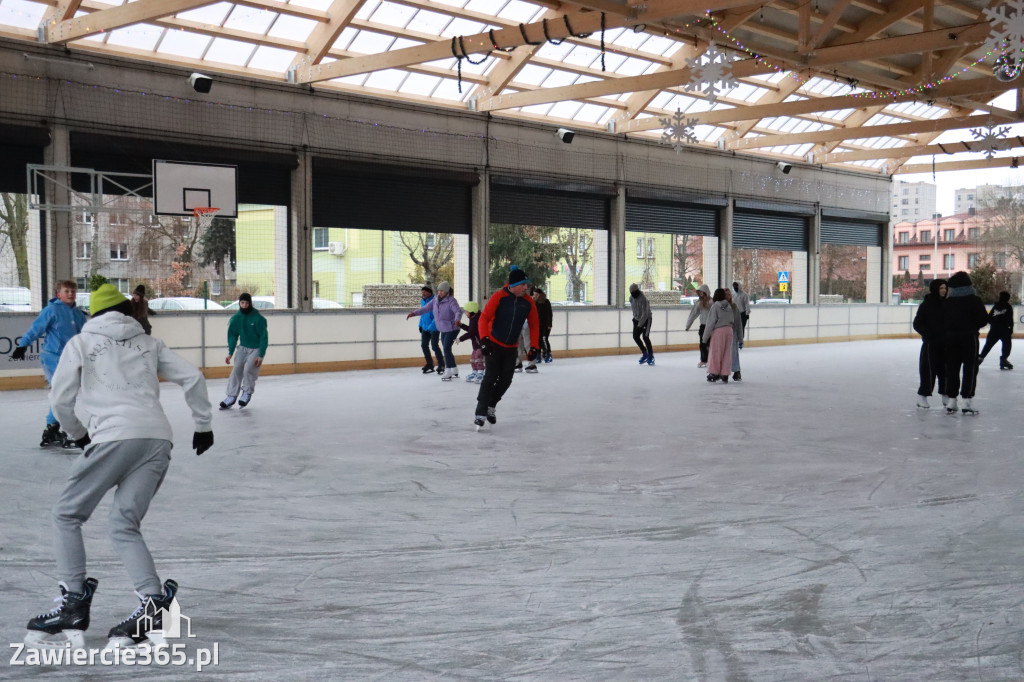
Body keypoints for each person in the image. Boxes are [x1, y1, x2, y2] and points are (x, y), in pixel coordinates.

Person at [25, 283, 213, 651]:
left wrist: (78, 435)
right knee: (124, 524)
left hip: (112, 437)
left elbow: (60, 399)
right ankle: (153, 604)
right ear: (127, 312)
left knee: (67, 515)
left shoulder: (80, 342)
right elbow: (193, 377)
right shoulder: (149, 342)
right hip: (157, 439)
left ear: (92, 313)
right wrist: (203, 425)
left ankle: (73, 602)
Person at [10, 279, 88, 449]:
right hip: (53, 357)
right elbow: (36, 329)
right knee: (61, 393)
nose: (70, 294)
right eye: (66, 291)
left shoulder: (78, 314)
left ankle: (52, 428)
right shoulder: (51, 310)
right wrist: (22, 345)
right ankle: (56, 427)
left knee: (66, 394)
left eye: (73, 291)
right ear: (58, 294)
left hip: (72, 359)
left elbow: (85, 336)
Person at [474, 265, 539, 429]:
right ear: (514, 285)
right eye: (523, 284)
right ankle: (480, 412)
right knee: (490, 377)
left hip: (511, 347)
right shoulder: (499, 296)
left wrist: (534, 347)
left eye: (527, 284)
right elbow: (483, 318)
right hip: (494, 345)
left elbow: (534, 325)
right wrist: (484, 340)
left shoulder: (528, 302)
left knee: (506, 380)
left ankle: (491, 405)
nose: (526, 287)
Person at [941, 271, 989, 415]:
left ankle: (952, 400)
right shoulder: (974, 300)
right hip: (969, 338)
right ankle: (967, 401)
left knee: (951, 369)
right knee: (970, 368)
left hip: (950, 339)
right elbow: (983, 320)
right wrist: (971, 325)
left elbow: (942, 321)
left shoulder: (948, 302)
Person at [220, 292, 268, 409]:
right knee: (236, 369)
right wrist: (230, 353)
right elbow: (232, 336)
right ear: (239, 303)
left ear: (250, 303)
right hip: (243, 348)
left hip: (256, 348)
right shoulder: (236, 319)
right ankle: (231, 396)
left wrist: (261, 355)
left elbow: (263, 337)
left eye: (247, 303)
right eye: (242, 302)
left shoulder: (258, 319)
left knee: (248, 370)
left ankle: (247, 392)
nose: (245, 305)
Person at [408, 281, 463, 380]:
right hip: (443, 328)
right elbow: (425, 308)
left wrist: (457, 319)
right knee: (446, 348)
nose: (440, 293)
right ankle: (454, 368)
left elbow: (457, 311)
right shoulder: (435, 300)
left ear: (446, 291)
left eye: (442, 291)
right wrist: (414, 313)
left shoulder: (451, 301)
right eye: (439, 291)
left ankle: (448, 370)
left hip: (453, 328)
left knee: (446, 348)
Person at [912, 279, 947, 409]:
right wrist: (928, 334)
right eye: (941, 288)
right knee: (928, 371)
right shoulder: (926, 305)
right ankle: (922, 397)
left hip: (945, 344)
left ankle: (946, 395)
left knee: (945, 371)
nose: (944, 290)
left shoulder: (947, 304)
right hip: (930, 344)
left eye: (945, 288)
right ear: (935, 289)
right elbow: (917, 324)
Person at [702, 288, 737, 383]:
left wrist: (705, 337)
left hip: (719, 331)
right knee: (726, 353)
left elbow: (711, 322)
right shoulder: (729, 306)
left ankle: (714, 373)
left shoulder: (715, 306)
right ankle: (725, 373)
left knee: (716, 352)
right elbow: (732, 319)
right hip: (729, 330)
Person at [978, 290, 1014, 370]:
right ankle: (1004, 360)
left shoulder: (996, 306)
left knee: (988, 345)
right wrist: (1010, 329)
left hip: (994, 330)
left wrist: (994, 324)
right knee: (1007, 346)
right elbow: (1010, 320)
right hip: (1004, 331)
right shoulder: (1008, 307)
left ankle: (981, 358)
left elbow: (990, 318)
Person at [416, 285, 444, 374]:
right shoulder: (423, 301)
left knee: (434, 345)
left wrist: (430, 327)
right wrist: (420, 325)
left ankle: (441, 364)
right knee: (424, 345)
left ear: (429, 292)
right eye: (422, 292)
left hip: (434, 327)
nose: (423, 293)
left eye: (424, 292)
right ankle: (429, 364)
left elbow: (437, 316)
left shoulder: (435, 300)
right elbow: (422, 313)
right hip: (425, 327)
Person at [685, 284, 713, 368]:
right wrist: (688, 325)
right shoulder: (699, 303)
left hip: (711, 326)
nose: (701, 294)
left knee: (711, 344)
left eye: (702, 292)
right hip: (703, 326)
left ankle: (711, 360)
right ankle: (704, 360)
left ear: (706, 292)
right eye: (699, 293)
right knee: (703, 344)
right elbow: (693, 314)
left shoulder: (712, 302)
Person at [458, 301, 484, 383]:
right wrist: (461, 325)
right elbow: (471, 329)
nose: (465, 313)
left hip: (480, 344)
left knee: (478, 358)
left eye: (466, 311)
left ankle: (481, 373)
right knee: (473, 359)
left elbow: (471, 333)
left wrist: (460, 339)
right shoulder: (473, 318)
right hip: (476, 344)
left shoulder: (476, 319)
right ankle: (475, 372)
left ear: (471, 311)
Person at [629, 283, 654, 366]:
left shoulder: (643, 299)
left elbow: (645, 313)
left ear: (637, 291)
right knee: (635, 336)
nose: (632, 294)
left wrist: (640, 325)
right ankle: (645, 352)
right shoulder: (631, 298)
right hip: (637, 319)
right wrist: (635, 320)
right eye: (631, 292)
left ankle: (651, 355)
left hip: (646, 319)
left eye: (633, 292)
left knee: (645, 337)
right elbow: (634, 310)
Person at [724, 287, 744, 381]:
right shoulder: (718, 306)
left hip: (733, 333)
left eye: (729, 295)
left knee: (734, 353)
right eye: (725, 295)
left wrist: (740, 339)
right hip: (722, 334)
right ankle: (724, 371)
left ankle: (736, 371)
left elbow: (738, 323)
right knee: (724, 353)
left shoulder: (734, 307)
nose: (727, 296)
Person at [532, 287, 554, 363]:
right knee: (538, 340)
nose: (535, 296)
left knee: (544, 339)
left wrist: (549, 324)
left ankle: (547, 354)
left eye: (536, 294)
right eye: (534, 294)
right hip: (537, 325)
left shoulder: (545, 302)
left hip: (545, 325)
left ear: (540, 294)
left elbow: (549, 313)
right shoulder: (534, 302)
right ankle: (538, 355)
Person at [731, 282, 751, 348]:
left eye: (736, 286)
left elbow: (747, 304)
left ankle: (740, 341)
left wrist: (747, 313)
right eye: (734, 286)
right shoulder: (733, 295)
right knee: (734, 328)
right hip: (734, 314)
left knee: (741, 328)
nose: (735, 287)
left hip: (742, 314)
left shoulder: (744, 295)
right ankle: (734, 340)